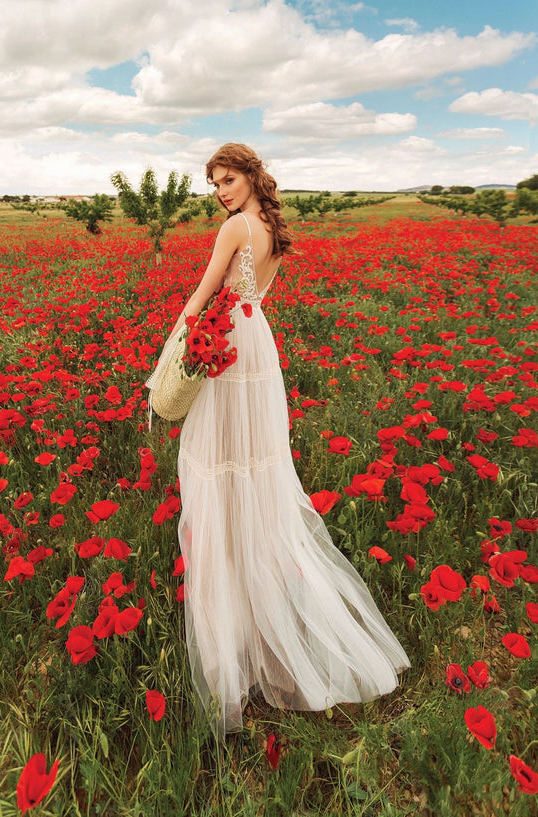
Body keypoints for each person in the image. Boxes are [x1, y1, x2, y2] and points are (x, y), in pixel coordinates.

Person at [146, 143, 410, 741]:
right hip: (254, 344)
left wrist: (175, 349)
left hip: (223, 346)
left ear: (249, 175)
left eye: (228, 178)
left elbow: (203, 293)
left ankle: (234, 627)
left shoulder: (235, 227)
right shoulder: (269, 226)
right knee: (253, 471)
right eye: (214, 182)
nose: (220, 190)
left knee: (217, 467)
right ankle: (259, 603)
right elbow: (252, 297)